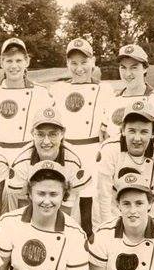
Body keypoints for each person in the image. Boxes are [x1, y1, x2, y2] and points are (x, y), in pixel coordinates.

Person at [49, 38, 116, 237]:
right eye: (74, 63)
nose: (79, 68)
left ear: (93, 61)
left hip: (93, 152)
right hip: (66, 150)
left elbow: (110, 121)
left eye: (84, 62)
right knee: (66, 202)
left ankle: (92, 243)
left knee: (92, 203)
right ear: (67, 64)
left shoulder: (105, 90)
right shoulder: (58, 90)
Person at [97, 99, 154, 224]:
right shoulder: (109, 149)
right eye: (132, 131)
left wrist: (152, 229)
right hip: (115, 210)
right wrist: (108, 228)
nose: (137, 138)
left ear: (153, 133)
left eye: (144, 132)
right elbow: (103, 196)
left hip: (148, 212)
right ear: (123, 130)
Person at [6, 106, 90, 221]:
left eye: (53, 134)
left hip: (64, 216)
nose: (46, 141)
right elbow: (22, 209)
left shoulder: (74, 162)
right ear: (32, 133)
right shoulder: (21, 162)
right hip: (28, 215)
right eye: (40, 134)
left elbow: (66, 211)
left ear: (62, 133)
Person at [0, 37, 55, 162]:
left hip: (30, 155)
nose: (14, 66)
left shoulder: (41, 92)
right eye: (9, 61)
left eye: (19, 60)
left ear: (27, 62)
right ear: (1, 62)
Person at [103, 44, 154, 145]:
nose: (128, 74)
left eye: (134, 68)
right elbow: (106, 138)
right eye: (123, 68)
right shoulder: (112, 100)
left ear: (145, 68)